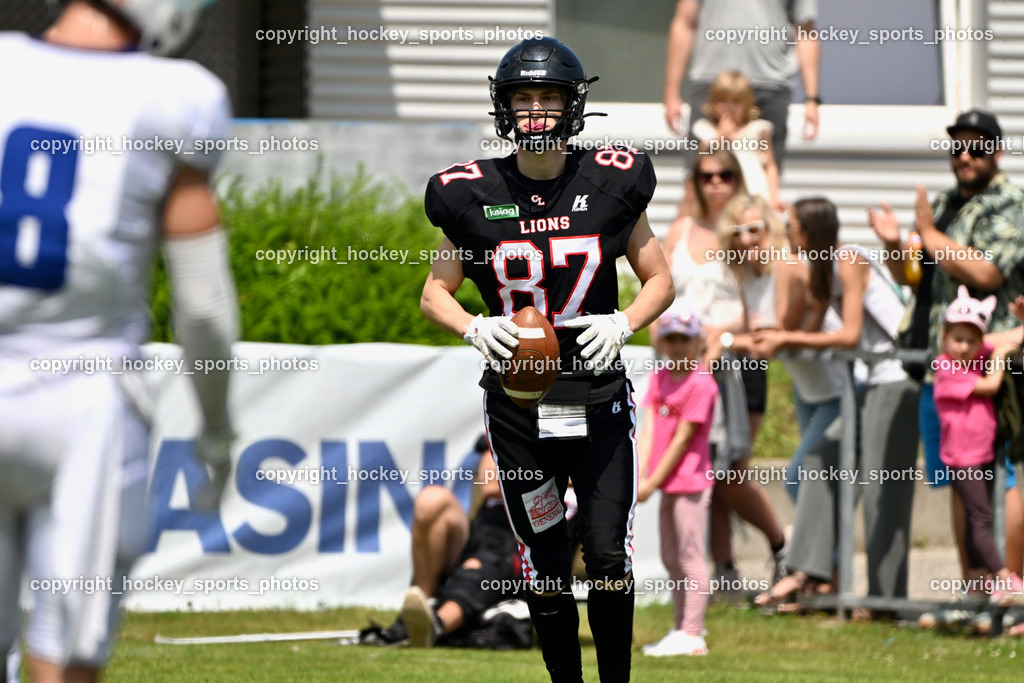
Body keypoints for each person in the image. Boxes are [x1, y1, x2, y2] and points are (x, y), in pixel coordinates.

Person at [420, 37, 674, 683]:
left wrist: (624, 322)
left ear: (572, 106)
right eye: (523, 99)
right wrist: (477, 327)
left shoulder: (613, 179)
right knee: (547, 560)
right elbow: (434, 293)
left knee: (609, 555)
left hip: (597, 398)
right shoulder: (468, 192)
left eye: (547, 98)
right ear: (505, 109)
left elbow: (660, 279)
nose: (535, 111)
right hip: (519, 411)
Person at [0, 1, 238, 681]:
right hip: (87, 399)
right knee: (65, 653)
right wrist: (217, 426)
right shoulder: (176, 96)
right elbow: (201, 304)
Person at [868, 108, 1024, 581]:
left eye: (977, 146)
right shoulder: (942, 204)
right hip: (942, 372)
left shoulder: (1009, 204)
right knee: (962, 481)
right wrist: (896, 246)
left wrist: (930, 235)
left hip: (993, 369)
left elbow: (987, 271)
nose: (965, 155)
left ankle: (1012, 593)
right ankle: (977, 592)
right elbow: (914, 277)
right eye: (957, 145)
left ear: (996, 151)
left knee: (1007, 478)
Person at [754, 197, 918, 608]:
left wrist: (785, 339)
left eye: (791, 224)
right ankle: (808, 572)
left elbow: (847, 337)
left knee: (884, 492)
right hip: (870, 383)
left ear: (810, 229)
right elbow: (807, 328)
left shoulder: (849, 259)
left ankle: (885, 603)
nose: (786, 231)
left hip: (896, 377)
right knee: (817, 462)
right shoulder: (823, 268)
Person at [717, 195, 844, 507]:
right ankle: (828, 555)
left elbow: (770, 341)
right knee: (819, 485)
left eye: (754, 229)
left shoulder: (787, 265)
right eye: (736, 233)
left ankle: (821, 554)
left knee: (797, 482)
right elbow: (757, 336)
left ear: (771, 228)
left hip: (839, 388)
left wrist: (724, 341)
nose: (746, 240)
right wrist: (726, 337)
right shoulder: (747, 277)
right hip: (808, 390)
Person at [361, 436, 533, 648]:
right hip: (484, 531)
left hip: (528, 545)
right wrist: (552, 473)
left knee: (481, 565)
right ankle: (423, 605)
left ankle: (437, 626)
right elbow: (490, 484)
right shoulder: (512, 433)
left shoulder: (581, 460)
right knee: (432, 499)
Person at [933, 287, 1024, 605]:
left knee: (980, 518)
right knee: (981, 519)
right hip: (964, 458)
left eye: (971, 341)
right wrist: (998, 359)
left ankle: (980, 581)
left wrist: (1021, 324)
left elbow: (1003, 341)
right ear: (944, 338)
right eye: (957, 339)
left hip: (982, 453)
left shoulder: (974, 358)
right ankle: (1002, 577)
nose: (964, 347)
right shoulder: (946, 368)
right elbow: (990, 384)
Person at [636, 309, 717, 657]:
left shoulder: (702, 383)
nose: (678, 345)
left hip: (690, 482)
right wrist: (642, 475)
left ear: (699, 342)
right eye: (671, 338)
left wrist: (650, 482)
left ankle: (693, 633)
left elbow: (683, 439)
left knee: (690, 556)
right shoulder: (659, 377)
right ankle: (682, 626)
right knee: (671, 556)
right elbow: (650, 428)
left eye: (685, 338)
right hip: (666, 482)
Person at [663, 0, 821, 171]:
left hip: (770, 85)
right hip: (713, 86)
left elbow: (805, 30)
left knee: (764, 181)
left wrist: (811, 98)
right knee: (701, 175)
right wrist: (671, 92)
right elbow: (685, 22)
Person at [691, 70, 781, 209]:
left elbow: (770, 166)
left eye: (736, 101)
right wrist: (720, 137)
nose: (729, 106)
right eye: (722, 100)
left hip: (754, 193)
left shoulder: (757, 130)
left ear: (747, 104)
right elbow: (702, 159)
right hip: (723, 199)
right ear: (713, 102)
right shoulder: (707, 131)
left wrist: (773, 196)